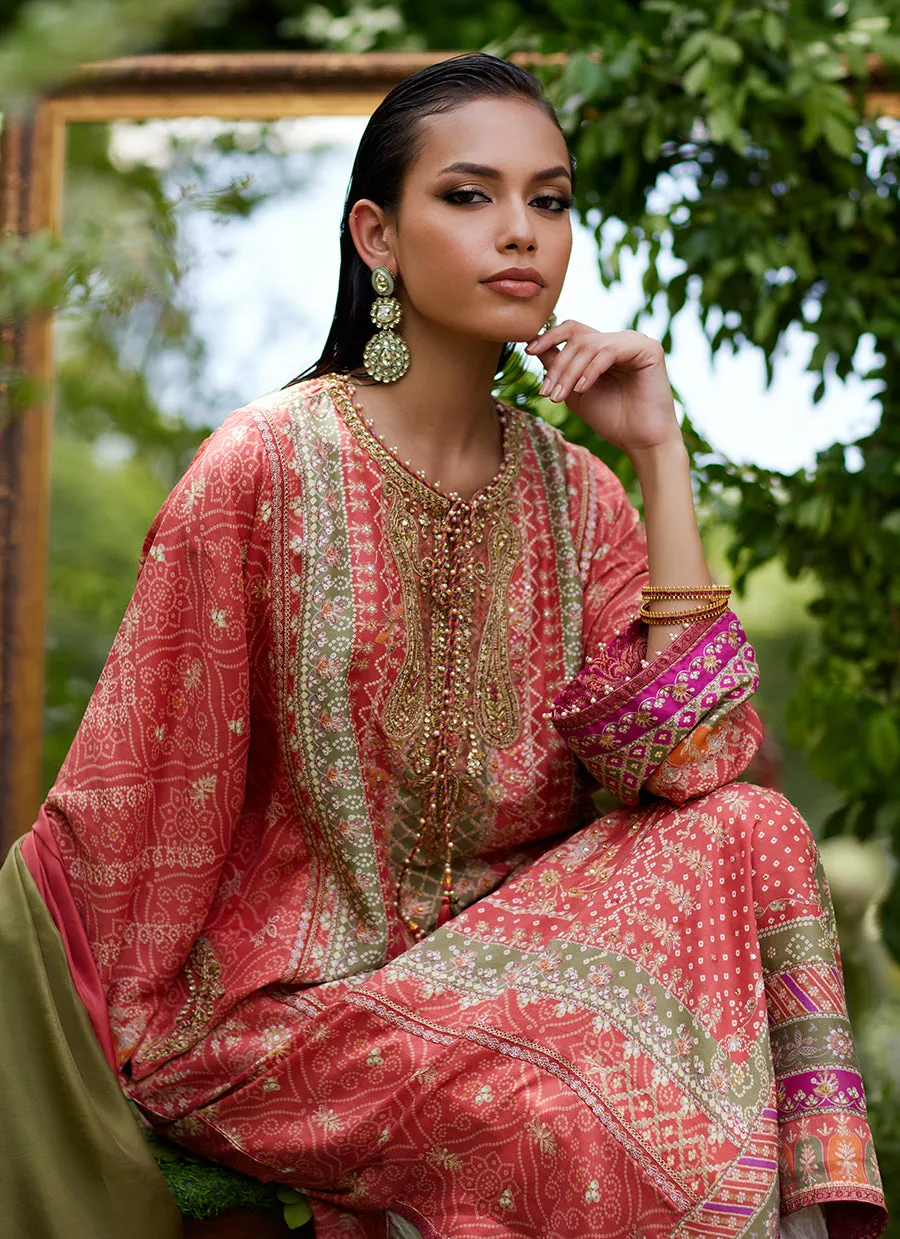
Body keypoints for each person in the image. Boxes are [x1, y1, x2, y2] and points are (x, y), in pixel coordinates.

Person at [0, 52, 886, 1239]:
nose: (521, 233)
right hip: (295, 1014)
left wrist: (659, 452)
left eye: (551, 200)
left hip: (526, 979)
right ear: (377, 233)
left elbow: (696, 769)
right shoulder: (262, 471)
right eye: (469, 196)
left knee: (752, 826)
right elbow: (135, 809)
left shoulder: (583, 501)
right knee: (563, 1117)